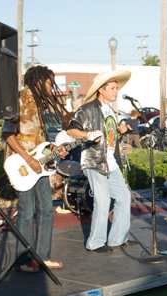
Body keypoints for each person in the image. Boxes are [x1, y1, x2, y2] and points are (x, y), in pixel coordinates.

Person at [2, 65, 69, 272]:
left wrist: (54, 148)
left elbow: (41, 140)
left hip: (40, 166)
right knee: (27, 211)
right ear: (39, 81)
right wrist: (27, 159)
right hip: (22, 166)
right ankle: (23, 259)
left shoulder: (41, 105)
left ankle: (41, 257)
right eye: (49, 82)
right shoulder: (19, 99)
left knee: (47, 211)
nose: (52, 87)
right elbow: (8, 134)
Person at [67, 70, 132, 253]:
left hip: (110, 161)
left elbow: (109, 136)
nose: (115, 91)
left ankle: (117, 239)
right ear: (101, 90)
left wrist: (120, 130)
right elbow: (71, 129)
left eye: (116, 88)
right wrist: (87, 134)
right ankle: (95, 242)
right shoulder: (87, 109)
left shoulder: (111, 110)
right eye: (112, 88)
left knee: (124, 197)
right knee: (102, 202)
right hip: (94, 161)